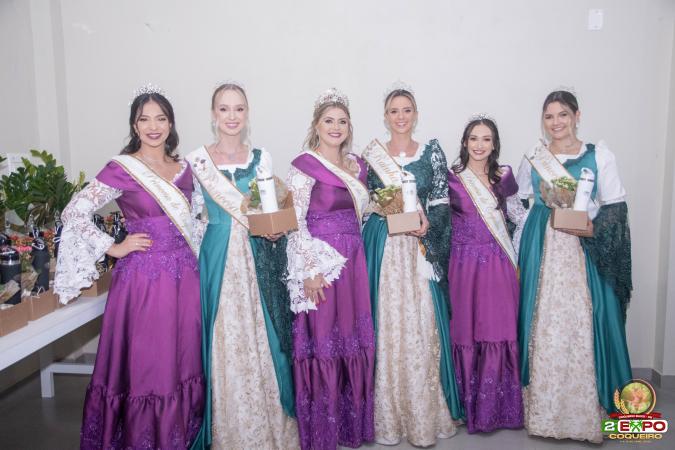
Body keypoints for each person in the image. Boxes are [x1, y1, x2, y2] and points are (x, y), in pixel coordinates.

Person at [54, 85, 205, 449]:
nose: (153, 126)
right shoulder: (122, 169)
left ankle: (181, 435)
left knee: (183, 358)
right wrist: (114, 246)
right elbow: (74, 211)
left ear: (171, 124)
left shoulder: (185, 169)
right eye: (144, 119)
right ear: (134, 126)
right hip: (144, 281)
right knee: (150, 362)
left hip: (186, 277)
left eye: (161, 119)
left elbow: (198, 219)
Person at [516, 90, 633, 443]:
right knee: (544, 319)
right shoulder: (534, 157)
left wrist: (591, 226)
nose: (556, 123)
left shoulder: (599, 156)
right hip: (543, 248)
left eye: (563, 115)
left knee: (584, 319)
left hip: (583, 248)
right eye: (549, 116)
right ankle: (544, 410)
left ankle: (588, 412)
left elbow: (615, 206)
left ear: (577, 116)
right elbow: (521, 200)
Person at [186, 82, 298, 450]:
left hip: (258, 256)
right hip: (218, 257)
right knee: (225, 338)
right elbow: (191, 218)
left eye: (238, 109)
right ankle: (231, 432)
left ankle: (269, 430)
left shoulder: (262, 158)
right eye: (224, 109)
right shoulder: (196, 161)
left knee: (263, 334)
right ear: (213, 114)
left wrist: (275, 230)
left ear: (247, 114)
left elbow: (270, 209)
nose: (231, 116)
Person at [361, 84, 460, 446]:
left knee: (421, 322)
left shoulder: (431, 152)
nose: (400, 117)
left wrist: (428, 226)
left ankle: (423, 412)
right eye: (394, 111)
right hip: (385, 246)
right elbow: (365, 202)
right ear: (385, 117)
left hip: (419, 247)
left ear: (415, 115)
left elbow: (441, 201)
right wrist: (379, 207)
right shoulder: (371, 156)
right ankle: (388, 414)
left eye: (406, 110)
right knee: (388, 321)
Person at [285, 88, 374, 450]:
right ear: (317, 125)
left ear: (349, 127)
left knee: (351, 336)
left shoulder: (357, 166)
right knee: (323, 337)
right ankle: (323, 429)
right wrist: (309, 270)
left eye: (342, 121)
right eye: (328, 121)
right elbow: (295, 222)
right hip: (322, 263)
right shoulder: (303, 166)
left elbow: (361, 212)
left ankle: (352, 425)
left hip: (354, 261)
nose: (335, 127)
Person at [447, 115, 524, 433]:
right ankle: (467, 408)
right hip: (463, 265)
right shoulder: (451, 178)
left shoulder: (503, 176)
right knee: (465, 331)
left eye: (486, 139)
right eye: (474, 138)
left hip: (497, 263)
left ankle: (499, 409)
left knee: (497, 329)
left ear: (494, 145)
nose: (479, 145)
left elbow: (519, 215)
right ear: (465, 143)